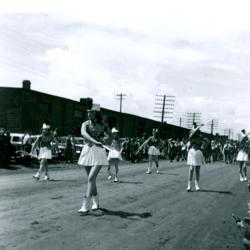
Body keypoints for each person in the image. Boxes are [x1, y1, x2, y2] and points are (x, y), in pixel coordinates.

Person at [77, 104, 111, 214]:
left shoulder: (103, 125)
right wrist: (94, 140)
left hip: (99, 152)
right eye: (88, 112)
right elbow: (83, 133)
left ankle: (85, 205)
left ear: (96, 113)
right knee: (91, 179)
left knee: (91, 178)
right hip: (87, 150)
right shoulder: (85, 124)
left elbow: (110, 136)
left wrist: (105, 139)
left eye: (91, 112)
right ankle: (96, 202)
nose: (88, 113)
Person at [186, 122, 205, 191]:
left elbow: (205, 143)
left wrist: (199, 128)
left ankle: (197, 185)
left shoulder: (200, 137)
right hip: (192, 152)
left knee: (197, 170)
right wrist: (199, 127)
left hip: (198, 152)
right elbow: (193, 133)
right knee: (191, 169)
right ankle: (189, 185)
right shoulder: (191, 135)